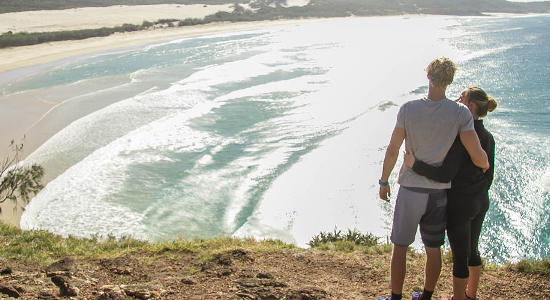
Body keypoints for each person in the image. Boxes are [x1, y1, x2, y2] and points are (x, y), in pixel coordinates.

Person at [377, 57, 489, 300]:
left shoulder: (408, 109)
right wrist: (485, 163)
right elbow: (476, 153)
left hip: (410, 191)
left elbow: (393, 149)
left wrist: (383, 180)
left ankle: (396, 297)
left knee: (400, 247)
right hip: (438, 193)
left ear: (428, 76)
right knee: (433, 249)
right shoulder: (460, 113)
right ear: (449, 81)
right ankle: (426, 297)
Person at [403, 87, 497, 300]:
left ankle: (458, 299)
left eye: (461, 98)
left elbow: (445, 174)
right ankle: (470, 295)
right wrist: (477, 193)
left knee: (460, 258)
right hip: (481, 201)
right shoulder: (488, 137)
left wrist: (414, 164)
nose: (456, 101)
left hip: (460, 206)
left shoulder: (463, 137)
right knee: (473, 250)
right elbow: (489, 176)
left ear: (470, 107)